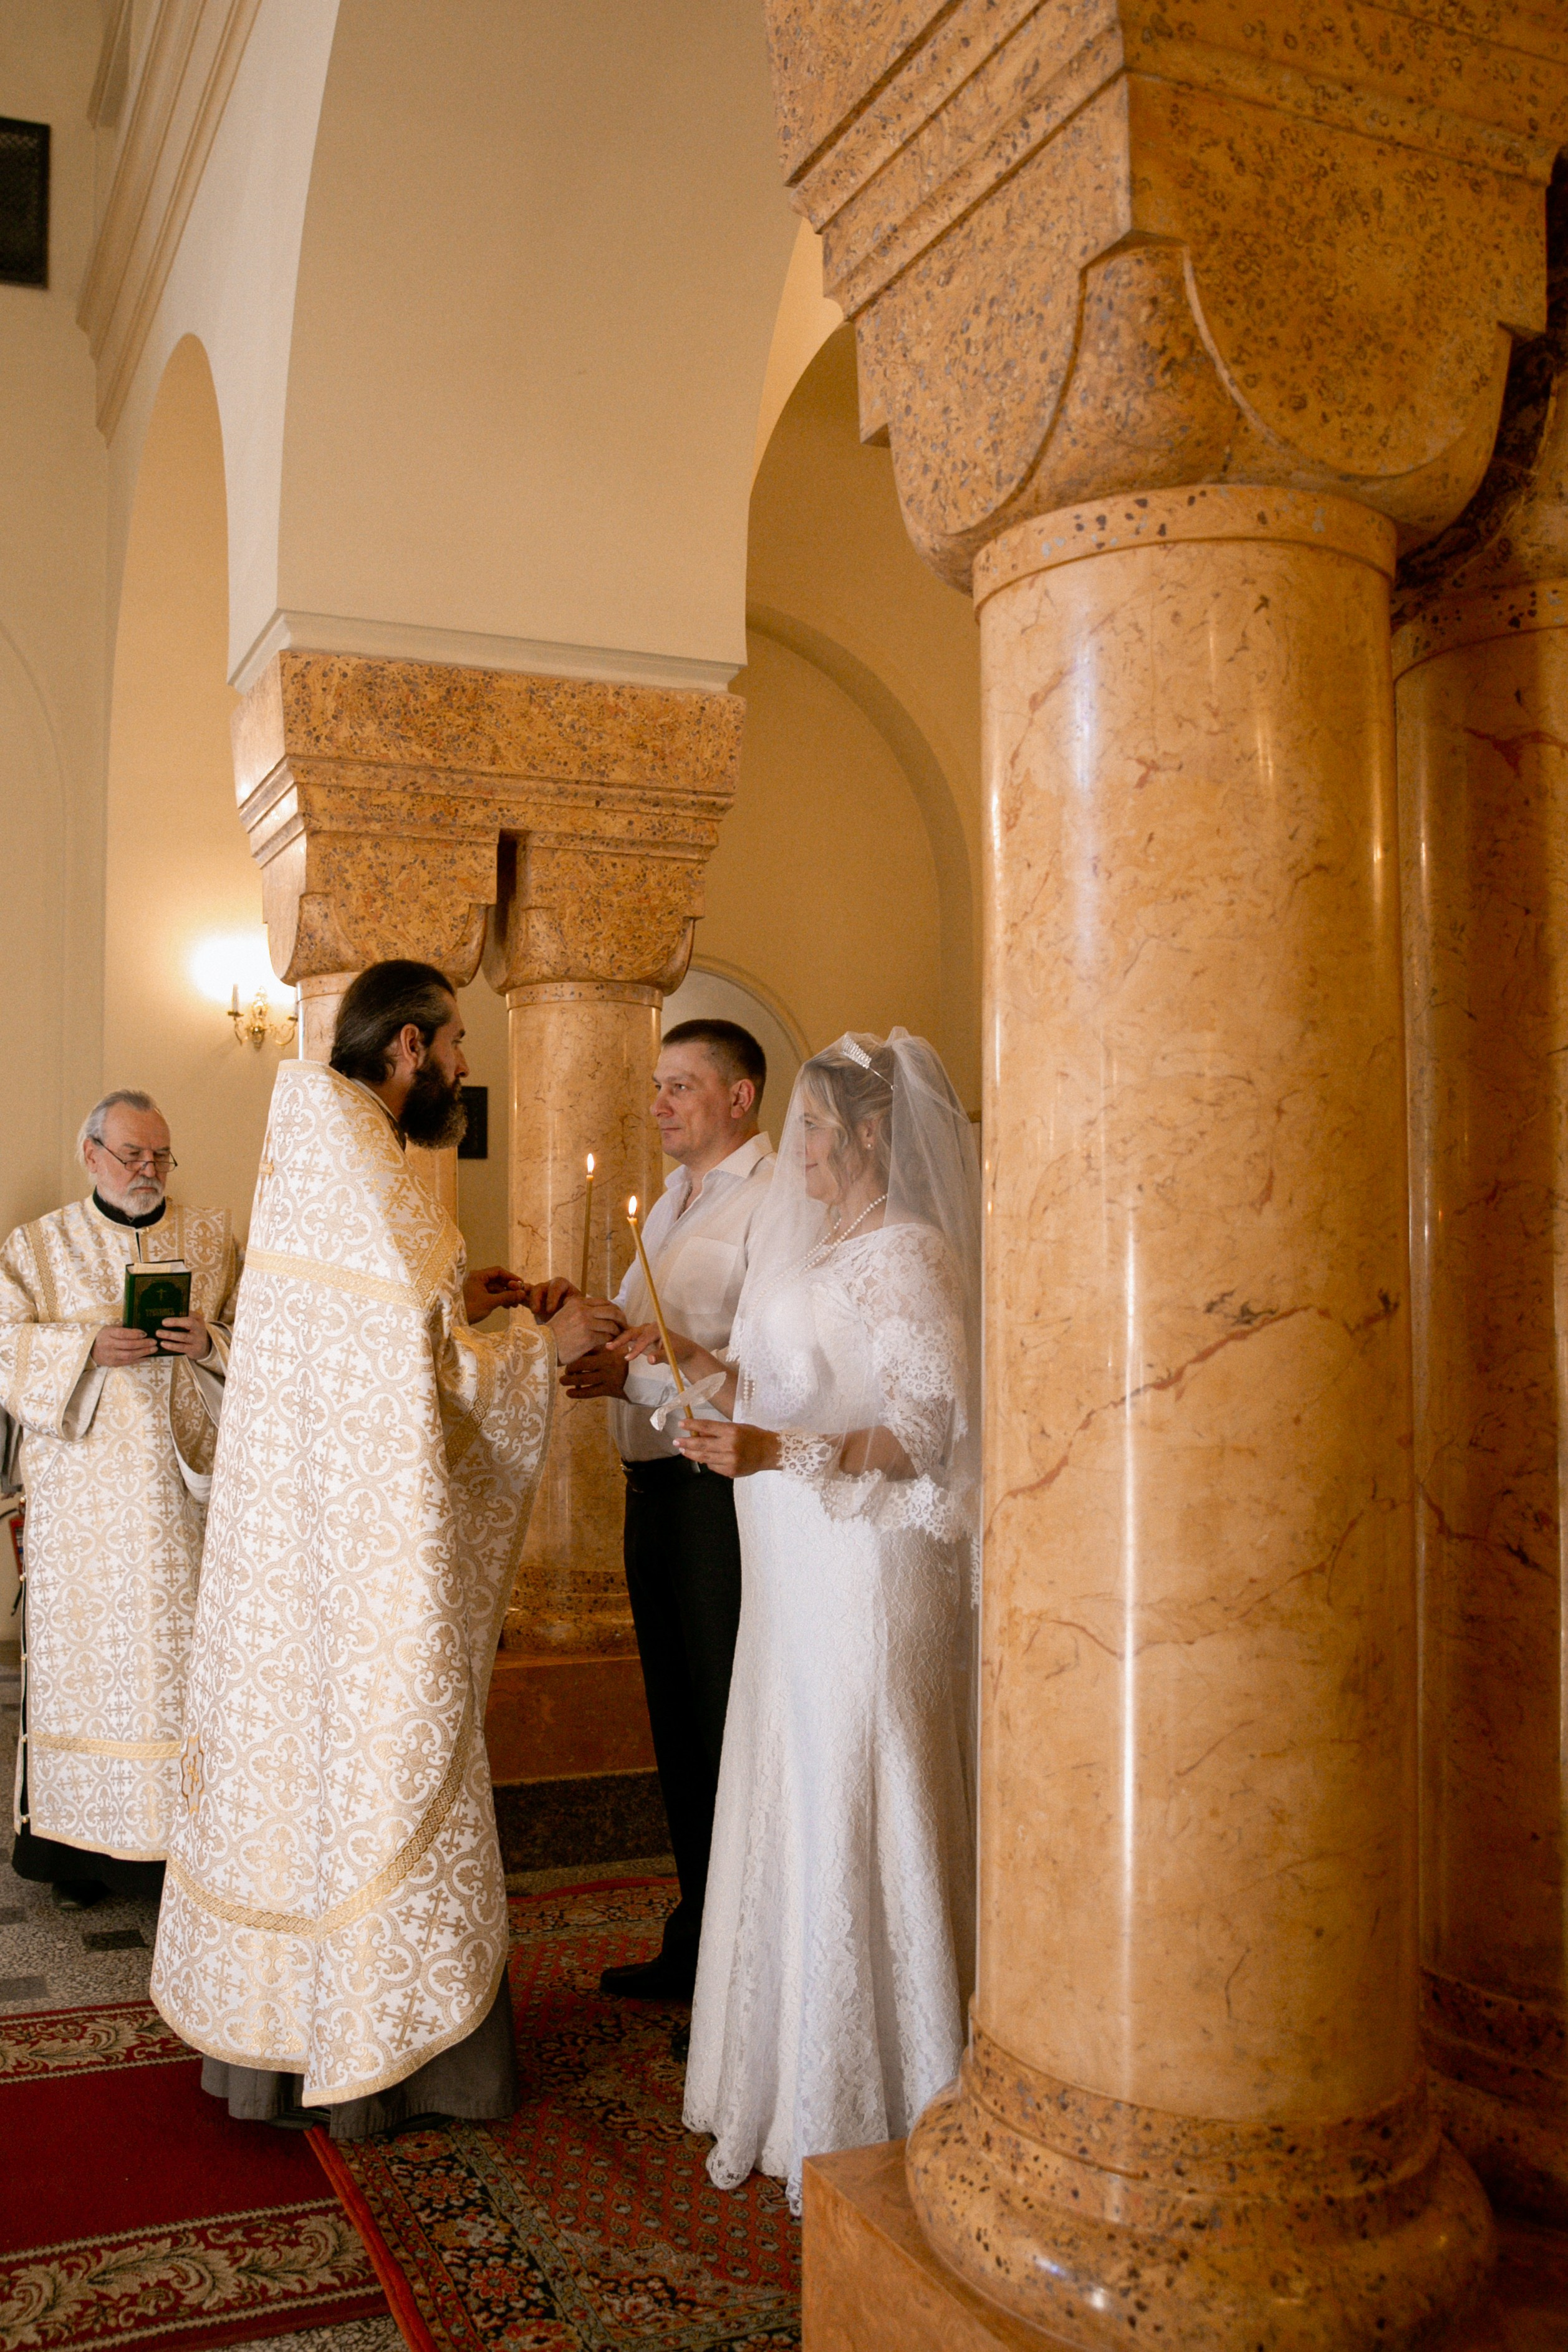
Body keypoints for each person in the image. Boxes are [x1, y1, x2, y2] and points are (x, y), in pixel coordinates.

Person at [152, 961, 618, 2138]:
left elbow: (376, 1341)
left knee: (298, 1777)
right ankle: (396, 2062)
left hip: (300, 1543)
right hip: (366, 1565)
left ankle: (273, 2047)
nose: (467, 1063)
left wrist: (477, 1302)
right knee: (381, 1757)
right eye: (456, 1041)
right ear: (406, 1048)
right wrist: (543, 1337)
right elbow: (433, 1381)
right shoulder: (375, 1166)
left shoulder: (316, 1149)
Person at [615, 1031, 979, 2210]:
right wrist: (715, 1383)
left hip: (869, 1571)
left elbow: (928, 1426)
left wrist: (782, 1448)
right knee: (786, 1785)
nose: (805, 1148)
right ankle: (780, 2068)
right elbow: (786, 1376)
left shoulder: (911, 1254)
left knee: (857, 1788)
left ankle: (892, 2079)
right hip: (789, 1563)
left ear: (871, 1135)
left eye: (819, 1130)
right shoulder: (816, 1241)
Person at [562, 1019, 774, 2001]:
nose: (660, 1105)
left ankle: (745, 1957)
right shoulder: (672, 1204)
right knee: (676, 1731)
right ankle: (696, 1935)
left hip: (716, 1500)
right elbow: (653, 1347)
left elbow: (767, 1374)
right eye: (659, 1085)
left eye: (681, 1086)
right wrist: (603, 1352)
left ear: (740, 1098)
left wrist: (657, 1361)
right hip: (651, 1491)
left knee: (725, 1726)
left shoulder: (773, 1207)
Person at [0, 1091, 240, 1909]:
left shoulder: (212, 1237)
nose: (148, 1171)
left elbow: (269, 1337)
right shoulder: (36, 1247)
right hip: (85, 1512)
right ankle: (78, 1855)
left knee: (184, 1675)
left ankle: (186, 1852)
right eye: (133, 1154)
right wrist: (84, 1348)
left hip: (187, 1504)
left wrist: (210, 1341)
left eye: (161, 1157)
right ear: (91, 1153)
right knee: (91, 1676)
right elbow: (2, 1346)